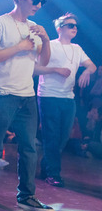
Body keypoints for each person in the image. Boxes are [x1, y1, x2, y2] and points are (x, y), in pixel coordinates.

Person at [0, 0, 55, 211]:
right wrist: (19, 47)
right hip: (1, 93)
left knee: (29, 148)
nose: (38, 5)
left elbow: (43, 61)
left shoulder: (34, 27)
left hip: (27, 95)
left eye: (42, 2)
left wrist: (45, 39)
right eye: (34, 0)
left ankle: (27, 196)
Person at [35, 13, 96, 187]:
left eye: (76, 26)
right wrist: (56, 70)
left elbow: (92, 66)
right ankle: (53, 174)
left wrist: (86, 71)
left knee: (63, 137)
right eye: (70, 25)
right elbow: (35, 69)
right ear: (59, 28)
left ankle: (46, 167)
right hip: (48, 95)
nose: (74, 28)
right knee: (52, 136)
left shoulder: (77, 48)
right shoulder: (49, 45)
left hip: (68, 97)